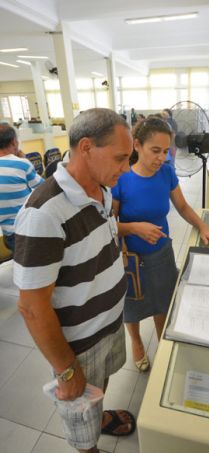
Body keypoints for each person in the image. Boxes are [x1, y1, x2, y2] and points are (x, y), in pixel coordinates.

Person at [13, 108, 136, 453]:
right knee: (80, 414)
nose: (125, 169)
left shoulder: (101, 188)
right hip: (79, 344)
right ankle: (88, 447)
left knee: (98, 388)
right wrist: (66, 370)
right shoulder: (44, 214)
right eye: (120, 158)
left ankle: (99, 414)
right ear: (85, 148)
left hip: (109, 323)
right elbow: (32, 307)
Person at [112, 117, 209, 372]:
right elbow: (109, 225)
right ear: (137, 145)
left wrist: (203, 226)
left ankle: (163, 341)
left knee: (162, 300)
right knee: (133, 304)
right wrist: (133, 228)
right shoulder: (122, 180)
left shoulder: (166, 172)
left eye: (166, 151)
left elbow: (183, 206)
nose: (162, 158)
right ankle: (136, 341)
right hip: (131, 258)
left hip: (161, 254)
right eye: (155, 151)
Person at [0, 124, 43, 252]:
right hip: (27, 230)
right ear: (14, 141)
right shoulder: (21, 164)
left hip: (8, 235)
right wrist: (25, 160)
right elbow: (44, 187)